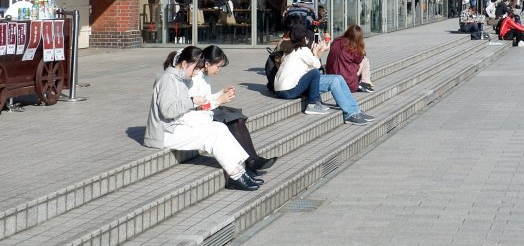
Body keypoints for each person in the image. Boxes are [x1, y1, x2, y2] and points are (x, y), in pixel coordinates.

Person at [144, 46, 261, 191]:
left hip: (173, 127)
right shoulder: (168, 79)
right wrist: (192, 101)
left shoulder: (177, 78)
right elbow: (167, 111)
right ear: (185, 64)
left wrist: (197, 102)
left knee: (220, 127)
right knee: (213, 134)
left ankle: (240, 172)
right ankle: (236, 175)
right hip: (165, 133)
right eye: (194, 69)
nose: (195, 74)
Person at [188, 45, 276, 174]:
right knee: (233, 118)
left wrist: (221, 93)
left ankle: (253, 159)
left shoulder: (205, 75)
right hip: (198, 116)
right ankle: (252, 160)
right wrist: (219, 100)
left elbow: (206, 98)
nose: (218, 70)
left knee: (236, 116)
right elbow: (197, 107)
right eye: (217, 66)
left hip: (207, 110)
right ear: (207, 63)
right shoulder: (195, 78)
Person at [274, 20, 375, 125]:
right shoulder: (303, 50)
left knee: (338, 78)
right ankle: (340, 111)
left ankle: (355, 110)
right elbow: (317, 66)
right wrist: (317, 51)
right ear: (305, 39)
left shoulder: (289, 50)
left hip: (284, 87)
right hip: (289, 90)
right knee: (318, 74)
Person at [325, 24, 375, 93]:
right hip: (347, 81)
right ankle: (365, 82)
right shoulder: (352, 46)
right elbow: (359, 59)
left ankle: (365, 81)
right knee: (365, 60)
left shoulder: (336, 41)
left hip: (331, 76)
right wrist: (362, 52)